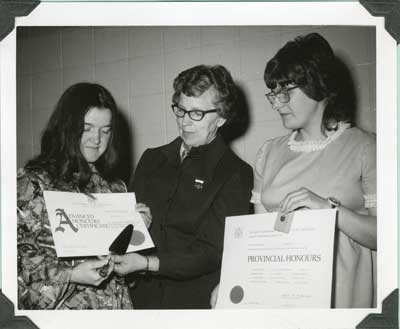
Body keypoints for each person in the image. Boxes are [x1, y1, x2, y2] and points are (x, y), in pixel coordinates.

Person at [249, 33, 376, 308]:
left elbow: (387, 236)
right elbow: (261, 239)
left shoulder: (365, 147)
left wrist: (328, 210)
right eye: (273, 92)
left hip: (341, 297)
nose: (276, 103)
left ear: (319, 86)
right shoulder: (267, 152)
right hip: (282, 296)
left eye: (286, 92)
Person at [113, 64, 253, 309]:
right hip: (139, 301)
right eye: (180, 110)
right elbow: (128, 231)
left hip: (193, 303)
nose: (185, 122)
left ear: (221, 117)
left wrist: (147, 264)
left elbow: (211, 252)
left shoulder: (235, 173)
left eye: (196, 113)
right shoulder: (152, 159)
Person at [17, 82, 151, 310]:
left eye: (105, 130)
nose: (96, 139)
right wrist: (71, 274)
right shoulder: (32, 183)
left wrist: (137, 233)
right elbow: (16, 264)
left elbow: (124, 276)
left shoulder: (114, 187)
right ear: (66, 128)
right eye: (86, 128)